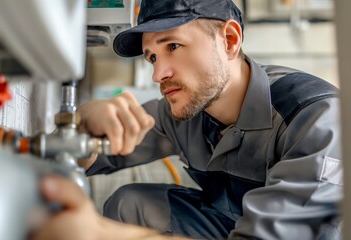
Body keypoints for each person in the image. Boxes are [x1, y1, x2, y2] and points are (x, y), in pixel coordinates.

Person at [72, 0, 342, 239]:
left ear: (230, 41)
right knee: (130, 203)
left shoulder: (316, 117)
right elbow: (93, 156)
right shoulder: (186, 109)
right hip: (234, 225)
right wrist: (83, 126)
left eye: (173, 46)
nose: (158, 74)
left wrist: (107, 234)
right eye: (152, 57)